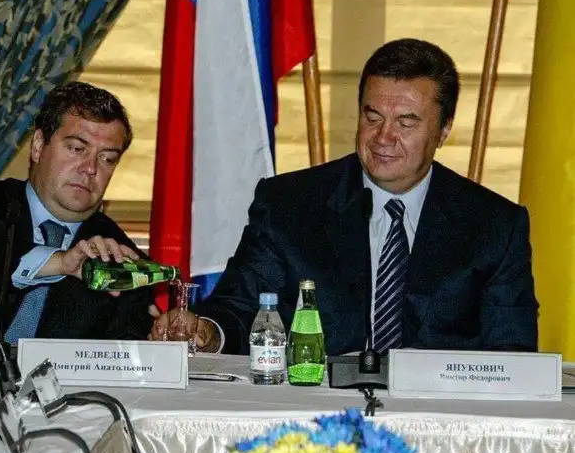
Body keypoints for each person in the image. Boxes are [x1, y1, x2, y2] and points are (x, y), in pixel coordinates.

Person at [150, 38, 538, 355]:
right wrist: (207, 332)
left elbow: (511, 351)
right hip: (314, 409)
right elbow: (240, 307)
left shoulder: (495, 225)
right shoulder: (289, 204)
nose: (383, 138)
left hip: (441, 417)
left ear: (444, 129)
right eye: (372, 117)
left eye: (405, 122)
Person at [0, 81, 158, 344]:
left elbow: (126, 345)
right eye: (77, 148)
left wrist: (159, 338)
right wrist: (60, 262)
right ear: (37, 145)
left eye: (107, 158)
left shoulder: (120, 255)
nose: (91, 168)